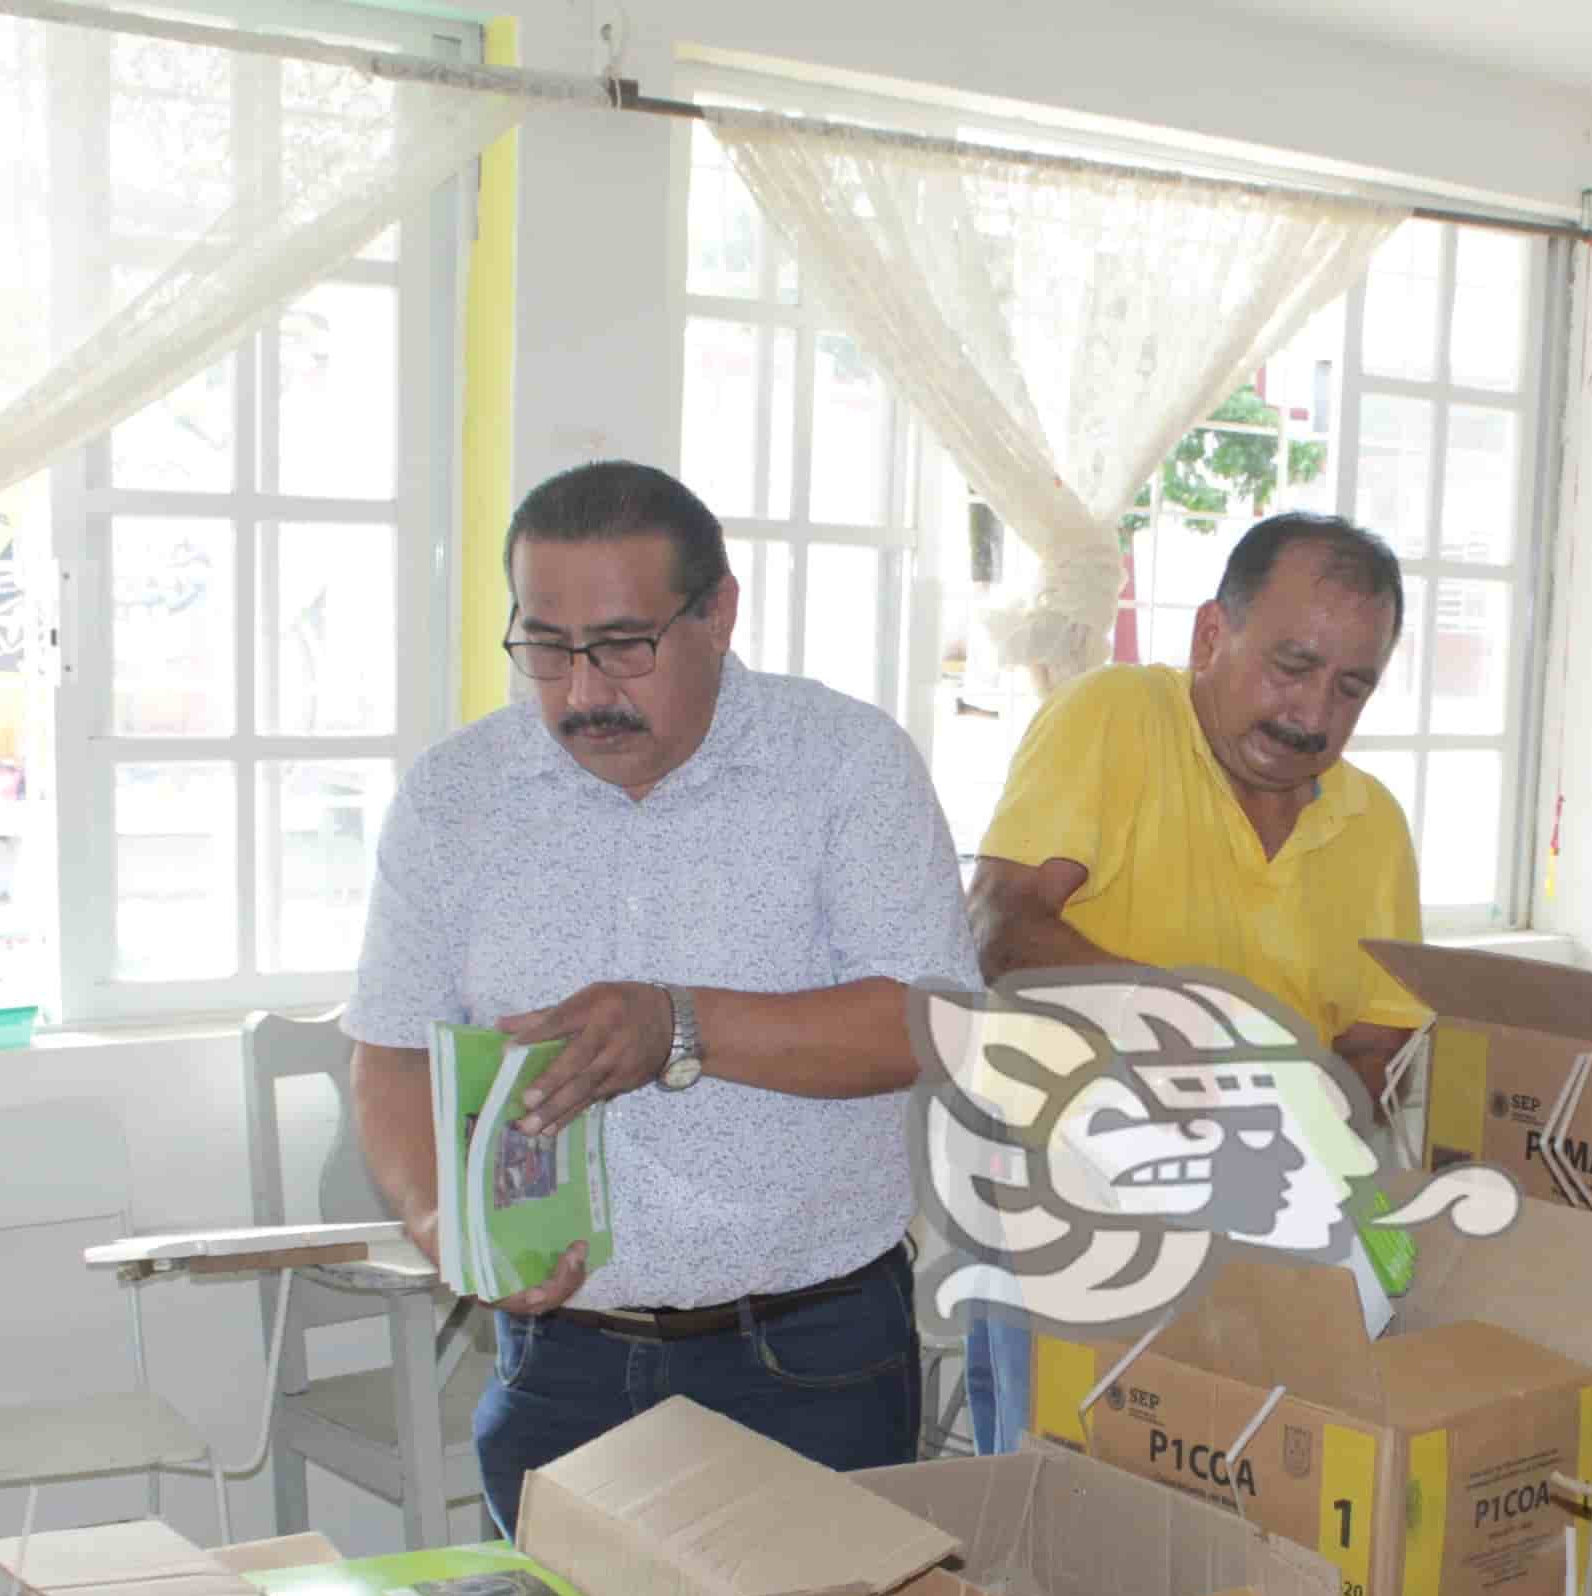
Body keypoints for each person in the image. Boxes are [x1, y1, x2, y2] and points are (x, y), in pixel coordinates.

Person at [345, 460, 976, 1533]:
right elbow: (392, 1053)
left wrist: (681, 1026)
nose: (586, 693)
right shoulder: (457, 798)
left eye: (626, 647)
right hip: (560, 1365)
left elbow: (933, 1027)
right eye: (545, 648)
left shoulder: (842, 766)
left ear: (719, 612)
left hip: (810, 1359)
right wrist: (441, 1224)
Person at [959, 511, 1425, 1448]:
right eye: (1290, 667)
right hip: (1079, 1205)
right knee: (1059, 1506)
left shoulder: (1372, 822)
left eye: (1350, 688)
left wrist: (1307, 1130)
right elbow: (1000, 930)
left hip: (1280, 1220)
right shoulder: (1115, 717)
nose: (1312, 716)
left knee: (1252, 1501)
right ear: (1212, 634)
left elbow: (1379, 1040)